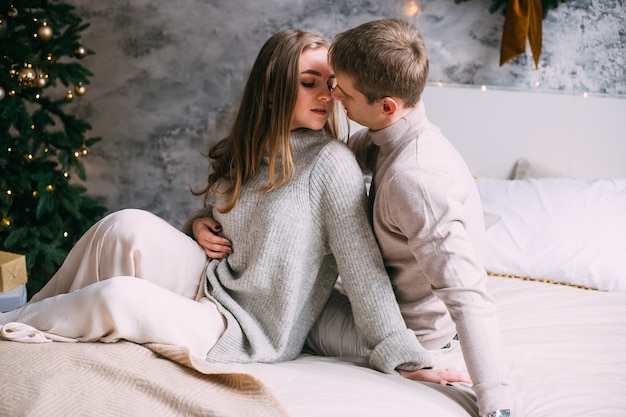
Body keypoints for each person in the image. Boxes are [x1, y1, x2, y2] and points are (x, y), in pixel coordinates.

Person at [0, 29, 470, 384]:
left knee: (117, 297)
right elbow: (236, 226)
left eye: (332, 84)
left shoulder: (332, 163)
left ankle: (9, 326)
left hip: (247, 327)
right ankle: (29, 317)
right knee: (125, 226)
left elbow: (364, 270)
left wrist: (405, 357)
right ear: (272, 89)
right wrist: (198, 225)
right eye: (310, 83)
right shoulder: (249, 149)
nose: (329, 96)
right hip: (213, 281)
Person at [198, 19, 513, 417]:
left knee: (279, 307)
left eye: (341, 90)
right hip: (367, 304)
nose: (333, 98)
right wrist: (204, 220)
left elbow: (468, 296)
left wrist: (497, 405)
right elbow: (293, 177)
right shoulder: (387, 136)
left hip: (408, 330)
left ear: (385, 105)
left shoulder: (417, 179)